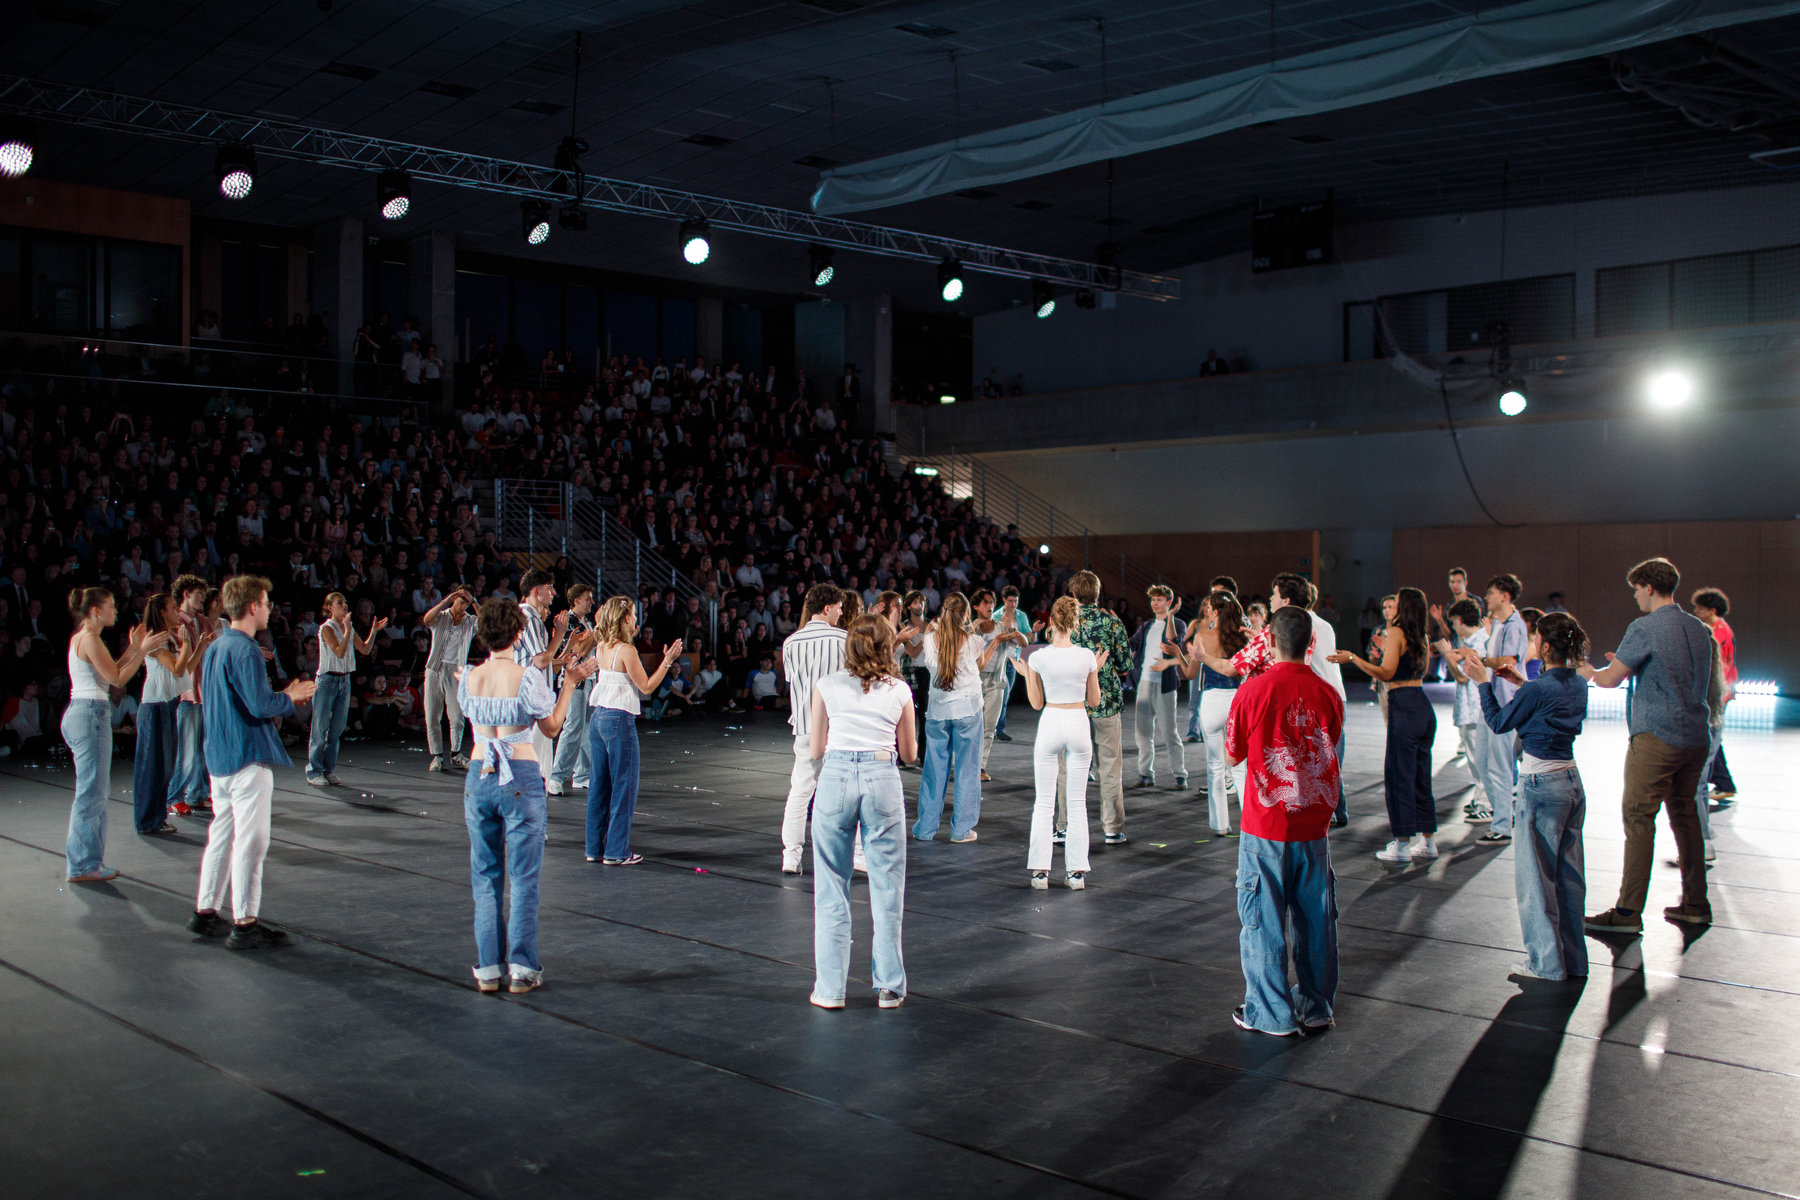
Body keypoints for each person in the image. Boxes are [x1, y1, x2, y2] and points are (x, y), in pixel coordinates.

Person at [458, 598, 595, 993]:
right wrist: (569, 684)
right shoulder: (526, 677)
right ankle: (521, 967)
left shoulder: (469, 677)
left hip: (480, 772)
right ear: (518, 634)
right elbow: (551, 727)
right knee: (523, 877)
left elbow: (471, 718)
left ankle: (488, 969)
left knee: (485, 876)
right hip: (518, 773)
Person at [1581, 558, 1723, 934]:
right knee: (1686, 817)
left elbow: (1609, 681)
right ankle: (1696, 904)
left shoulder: (1644, 626)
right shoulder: (1698, 627)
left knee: (1639, 818)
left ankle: (1627, 913)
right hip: (1696, 737)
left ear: (1648, 587)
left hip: (1657, 738)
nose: (1635, 596)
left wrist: (1589, 672)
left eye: (1635, 589)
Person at [1224, 605, 1345, 1036]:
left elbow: (1232, 755)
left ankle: (1270, 1012)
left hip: (1266, 826)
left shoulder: (1253, 691)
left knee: (1263, 921)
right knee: (1316, 921)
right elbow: (1329, 744)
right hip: (1314, 827)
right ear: (1310, 643)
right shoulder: (1329, 694)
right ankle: (1316, 1005)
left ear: (1270, 641)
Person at [1458, 612, 1592, 980]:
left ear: (1545, 647)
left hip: (1541, 785)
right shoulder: (1578, 683)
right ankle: (1575, 961)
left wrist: (1483, 682)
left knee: (1535, 879)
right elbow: (1548, 704)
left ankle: (1545, 962)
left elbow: (1499, 722)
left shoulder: (1537, 690)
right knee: (1570, 878)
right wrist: (1522, 682)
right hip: (1571, 780)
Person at [189, 577, 317, 949]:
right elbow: (259, 704)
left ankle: (206, 911)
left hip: (220, 755)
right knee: (251, 842)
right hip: (246, 754)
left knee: (222, 835)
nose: (269, 608)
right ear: (251, 607)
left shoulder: (216, 646)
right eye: (265, 602)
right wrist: (290, 696)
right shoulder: (244, 649)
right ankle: (244, 923)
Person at [806, 615, 918, 1010]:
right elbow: (910, 754)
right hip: (881, 777)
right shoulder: (899, 690)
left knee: (831, 886)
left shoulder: (827, 685)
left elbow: (816, 749)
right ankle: (889, 987)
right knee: (887, 887)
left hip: (835, 777)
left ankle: (830, 990)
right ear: (888, 646)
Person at [63, 587, 172, 883]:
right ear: (95, 611)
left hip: (85, 713)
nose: (115, 610)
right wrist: (143, 650)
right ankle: (83, 864)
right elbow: (118, 679)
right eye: (110, 606)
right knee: (92, 793)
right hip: (90, 715)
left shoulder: (84, 638)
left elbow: (111, 671)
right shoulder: (90, 638)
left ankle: (88, 862)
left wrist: (134, 648)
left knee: (94, 792)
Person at [1330, 586, 1436, 864]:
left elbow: (1386, 673)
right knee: (1421, 776)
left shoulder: (1397, 633)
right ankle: (1428, 841)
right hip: (1422, 704)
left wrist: (1353, 659)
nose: (1392, 607)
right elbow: (1422, 670)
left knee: (1399, 776)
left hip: (1403, 703)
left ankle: (1401, 844)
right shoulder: (1422, 636)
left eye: (1397, 602)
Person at [584, 596, 683, 866]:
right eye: (634, 615)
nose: (638, 619)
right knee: (624, 786)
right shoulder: (627, 651)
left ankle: (594, 848)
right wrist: (667, 660)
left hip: (599, 717)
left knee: (599, 786)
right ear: (626, 618)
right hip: (618, 720)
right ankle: (617, 851)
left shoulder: (602, 645)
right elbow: (646, 687)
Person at [904, 592, 1004, 843]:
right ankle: (961, 830)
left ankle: (925, 829)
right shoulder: (973, 641)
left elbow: (917, 657)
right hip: (968, 709)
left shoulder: (930, 640)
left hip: (938, 712)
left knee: (933, 771)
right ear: (966, 614)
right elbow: (980, 666)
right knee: (967, 770)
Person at [1019, 596, 1103, 889]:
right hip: (1078, 721)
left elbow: (1036, 703)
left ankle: (1040, 872)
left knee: (1044, 802)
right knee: (1077, 802)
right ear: (1075, 622)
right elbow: (1095, 701)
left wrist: (1027, 674)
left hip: (1051, 721)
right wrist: (1094, 670)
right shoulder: (1086, 656)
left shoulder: (1038, 657)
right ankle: (1076, 873)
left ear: (1052, 621)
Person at [1159, 590, 1248, 836]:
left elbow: (1189, 674)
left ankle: (1220, 825)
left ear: (1216, 611)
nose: (1206, 610)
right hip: (1237, 700)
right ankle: (1250, 825)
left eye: (1209, 607)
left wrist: (1178, 654)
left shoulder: (1202, 636)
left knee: (1215, 766)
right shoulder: (1242, 636)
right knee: (1240, 766)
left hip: (1212, 701)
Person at [1054, 571, 1132, 846]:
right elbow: (1125, 665)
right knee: (1109, 767)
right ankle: (1112, 828)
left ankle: (1064, 827)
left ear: (1073, 594)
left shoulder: (1064, 622)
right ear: (1098, 594)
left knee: (1068, 769)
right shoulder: (1112, 622)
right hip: (1106, 703)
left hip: (1072, 703)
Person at [780, 584, 847, 873]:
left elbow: (791, 682)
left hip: (805, 727)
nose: (841, 613)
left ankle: (791, 857)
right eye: (839, 608)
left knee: (799, 793)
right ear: (827, 608)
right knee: (845, 794)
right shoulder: (844, 639)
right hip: (837, 728)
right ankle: (849, 855)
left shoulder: (790, 643)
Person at [133, 593, 209, 836]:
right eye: (173, 608)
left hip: (168, 703)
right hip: (155, 705)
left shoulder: (171, 638)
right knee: (153, 766)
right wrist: (186, 645)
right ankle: (147, 819)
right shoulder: (156, 639)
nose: (177, 612)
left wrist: (198, 647)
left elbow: (186, 669)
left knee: (165, 766)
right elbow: (176, 669)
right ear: (162, 612)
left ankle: (156, 817)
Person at [308, 591, 385, 786]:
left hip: (344, 680)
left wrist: (373, 631)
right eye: (339, 603)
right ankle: (314, 771)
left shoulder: (347, 628)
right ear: (330, 607)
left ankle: (328, 770)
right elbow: (339, 652)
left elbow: (365, 649)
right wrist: (348, 630)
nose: (344, 606)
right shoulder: (327, 628)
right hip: (327, 681)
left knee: (336, 729)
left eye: (345, 602)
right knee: (320, 728)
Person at [1475, 574, 1530, 844]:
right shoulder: (1498, 623)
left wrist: (1479, 660)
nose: (1487, 597)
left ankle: (1502, 825)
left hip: (1504, 703)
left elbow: (1508, 660)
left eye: (1491, 593)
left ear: (1505, 596)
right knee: (1484, 763)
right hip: (1491, 701)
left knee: (1499, 766)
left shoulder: (1514, 625)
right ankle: (1503, 815)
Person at [1128, 585, 1188, 792]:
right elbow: (1132, 644)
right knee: (1143, 732)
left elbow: (1173, 642)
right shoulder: (1146, 625)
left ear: (1168, 602)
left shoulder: (1178, 623)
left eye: (1159, 600)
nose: (1154, 603)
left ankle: (1180, 775)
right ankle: (1145, 774)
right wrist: (1116, 631)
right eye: (1153, 599)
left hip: (1165, 685)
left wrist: (1170, 616)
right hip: (1144, 683)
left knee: (1170, 732)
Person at [1689, 587, 1738, 834]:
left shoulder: (1717, 633)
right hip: (1721, 691)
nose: (1696, 612)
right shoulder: (1721, 629)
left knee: (1709, 744)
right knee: (1713, 742)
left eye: (1699, 608)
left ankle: (1722, 784)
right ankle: (1724, 783)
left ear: (1712, 610)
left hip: (1717, 693)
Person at [1436, 599, 1489, 802]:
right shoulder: (1479, 639)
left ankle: (1484, 801)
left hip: (1475, 709)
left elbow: (1462, 677)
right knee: (1478, 756)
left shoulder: (1476, 643)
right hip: (1476, 708)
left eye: (1453, 623)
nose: (1454, 628)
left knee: (1478, 757)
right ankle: (1482, 797)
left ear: (1459, 620)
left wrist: (1447, 654)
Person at [547, 583, 598, 795]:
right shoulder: (568, 621)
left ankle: (582, 775)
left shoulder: (586, 622)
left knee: (586, 728)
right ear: (576, 601)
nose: (592, 602)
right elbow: (578, 651)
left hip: (589, 679)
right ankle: (556, 776)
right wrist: (598, 631)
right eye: (588, 598)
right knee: (573, 728)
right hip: (573, 681)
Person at [168, 574, 212, 816]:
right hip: (186, 693)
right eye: (199, 594)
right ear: (186, 594)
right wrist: (201, 647)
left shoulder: (203, 622)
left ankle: (197, 793)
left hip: (205, 691)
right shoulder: (176, 623)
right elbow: (183, 663)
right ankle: (174, 796)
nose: (203, 598)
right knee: (186, 750)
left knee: (203, 747)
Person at [515, 568, 568, 769]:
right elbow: (540, 661)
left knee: (539, 759)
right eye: (549, 588)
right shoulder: (527, 617)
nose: (553, 593)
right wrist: (560, 633)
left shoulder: (531, 617)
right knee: (535, 761)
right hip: (530, 698)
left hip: (532, 696)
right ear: (537, 591)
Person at [420, 587, 476, 772]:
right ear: (455, 599)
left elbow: (487, 624)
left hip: (455, 670)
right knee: (432, 714)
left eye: (466, 602)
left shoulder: (470, 621)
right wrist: (445, 601)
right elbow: (427, 620)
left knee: (457, 715)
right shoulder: (442, 616)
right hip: (435, 667)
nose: (463, 606)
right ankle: (437, 755)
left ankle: (456, 754)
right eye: (461, 601)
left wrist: (474, 602)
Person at [990, 586, 1033, 744]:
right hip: (998, 659)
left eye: (1015, 601)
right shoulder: (996, 616)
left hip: (1013, 659)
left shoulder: (1021, 615)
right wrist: (1012, 634)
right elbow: (995, 638)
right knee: (1000, 694)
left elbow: (1028, 638)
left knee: (1005, 695)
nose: (1013, 604)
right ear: (1004, 600)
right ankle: (997, 730)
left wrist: (1024, 633)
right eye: (1010, 601)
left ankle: (997, 729)